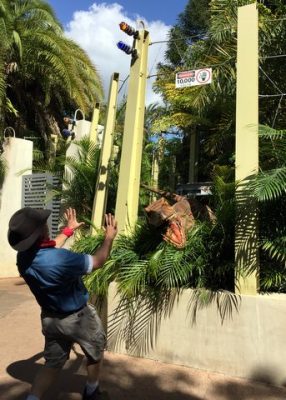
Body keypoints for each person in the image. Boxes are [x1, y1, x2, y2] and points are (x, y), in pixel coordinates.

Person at [7, 207, 118, 400]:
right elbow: (98, 261)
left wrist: (68, 230)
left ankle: (32, 398)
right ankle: (91, 390)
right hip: (78, 318)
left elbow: (49, 248)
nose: (47, 226)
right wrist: (109, 237)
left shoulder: (23, 258)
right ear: (42, 231)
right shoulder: (62, 260)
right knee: (95, 351)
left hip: (51, 319)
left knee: (52, 364)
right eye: (44, 224)